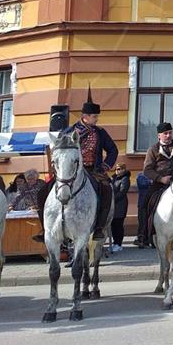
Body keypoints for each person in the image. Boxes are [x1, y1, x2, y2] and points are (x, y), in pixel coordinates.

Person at [32, 87, 118, 241]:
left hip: (92, 170)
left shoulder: (100, 133)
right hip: (69, 172)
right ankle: (44, 228)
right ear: (85, 116)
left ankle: (99, 227)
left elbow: (113, 150)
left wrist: (105, 166)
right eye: (94, 116)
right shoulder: (68, 132)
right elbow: (58, 151)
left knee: (107, 190)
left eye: (96, 116)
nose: (96, 119)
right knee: (42, 192)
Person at [139, 122, 173, 247]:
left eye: (170, 133)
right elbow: (147, 170)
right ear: (159, 135)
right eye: (165, 133)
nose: (168, 135)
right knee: (145, 204)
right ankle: (144, 234)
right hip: (159, 184)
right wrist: (160, 179)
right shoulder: (153, 149)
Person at [110, 162, 131, 252]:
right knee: (113, 225)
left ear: (123, 169)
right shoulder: (113, 178)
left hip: (120, 205)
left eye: (119, 169)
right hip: (114, 205)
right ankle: (115, 243)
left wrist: (112, 199)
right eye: (116, 169)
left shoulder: (125, 179)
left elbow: (122, 192)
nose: (117, 171)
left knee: (118, 225)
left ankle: (118, 244)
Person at [133, 173, 152, 248]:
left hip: (151, 202)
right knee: (143, 222)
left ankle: (149, 240)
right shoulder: (140, 175)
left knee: (150, 222)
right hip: (143, 203)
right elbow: (143, 184)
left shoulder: (155, 174)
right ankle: (141, 239)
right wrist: (152, 181)